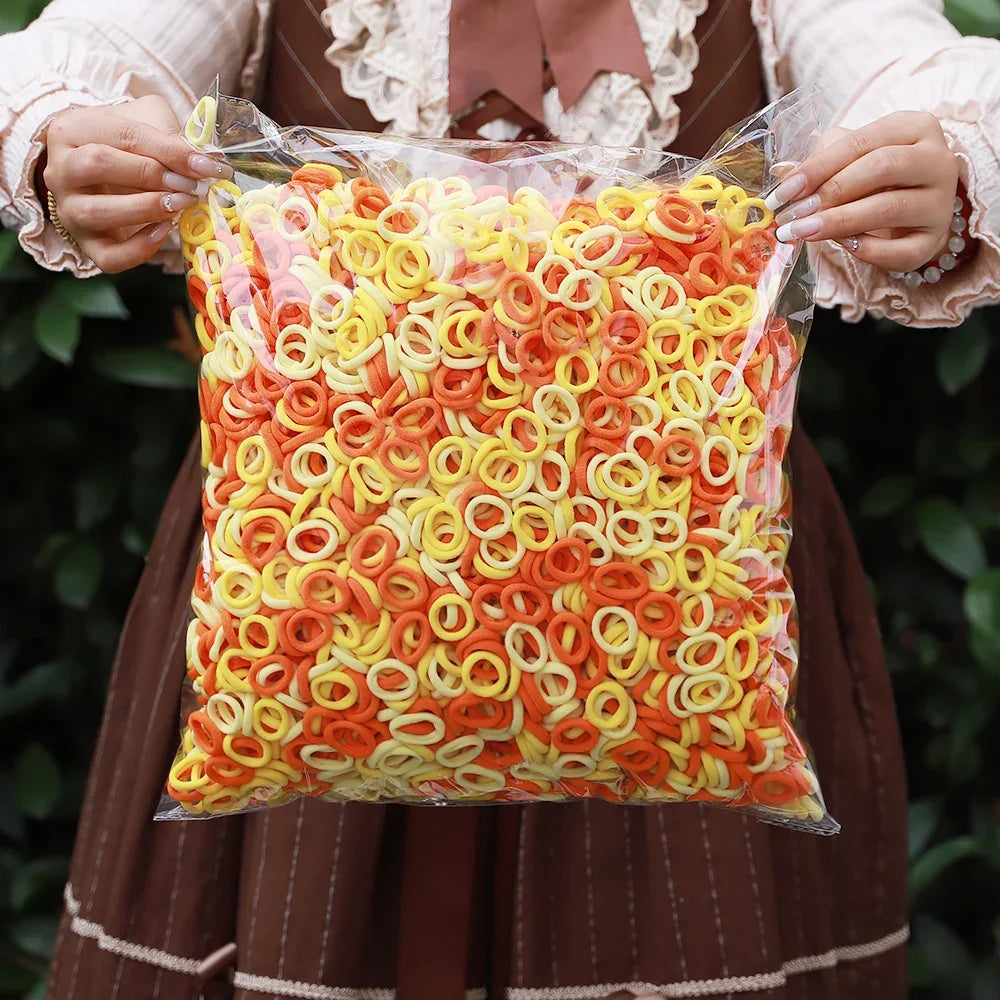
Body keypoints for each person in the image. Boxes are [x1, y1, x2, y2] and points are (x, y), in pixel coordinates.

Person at [1, 1, 997, 998]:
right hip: (321, 573)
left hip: (683, 576)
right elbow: (90, 54)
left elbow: (900, 75)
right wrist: (71, 144)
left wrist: (941, 172)